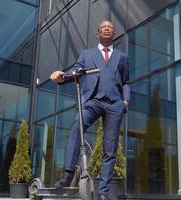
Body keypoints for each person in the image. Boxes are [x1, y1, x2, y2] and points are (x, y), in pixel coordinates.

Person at [50, 20, 130, 200]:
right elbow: (75, 73)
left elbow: (126, 81)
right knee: (76, 127)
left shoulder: (122, 57)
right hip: (92, 101)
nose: (107, 29)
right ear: (98, 33)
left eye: (110, 27)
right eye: (103, 27)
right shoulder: (87, 54)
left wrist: (125, 101)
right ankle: (68, 173)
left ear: (114, 33)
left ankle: (103, 192)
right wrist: (60, 76)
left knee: (110, 150)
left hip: (114, 104)